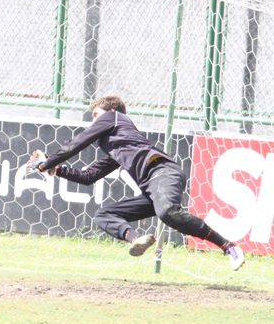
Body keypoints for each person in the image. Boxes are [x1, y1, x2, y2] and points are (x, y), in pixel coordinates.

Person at [26, 95, 245, 271]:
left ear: (111, 111)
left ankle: (229, 247)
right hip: (151, 187)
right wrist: (56, 169)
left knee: (167, 213)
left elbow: (77, 143)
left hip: (163, 172)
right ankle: (136, 239)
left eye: (95, 115)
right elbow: (88, 176)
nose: (93, 121)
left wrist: (47, 163)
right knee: (104, 215)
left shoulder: (114, 116)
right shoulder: (118, 145)